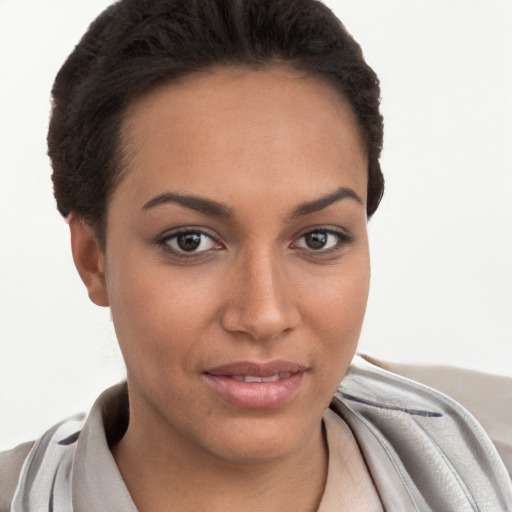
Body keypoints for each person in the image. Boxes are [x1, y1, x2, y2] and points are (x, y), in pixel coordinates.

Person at [0, 0, 511, 510]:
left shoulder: (497, 466)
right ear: (94, 259)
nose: (265, 316)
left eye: (318, 239)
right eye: (190, 241)